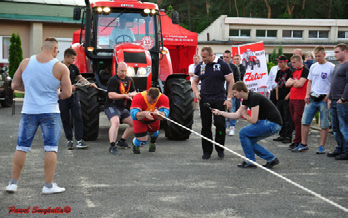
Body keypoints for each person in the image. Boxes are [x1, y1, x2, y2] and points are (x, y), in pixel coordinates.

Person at [6, 38, 71, 194]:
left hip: (29, 110)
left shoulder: (25, 63)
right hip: (50, 111)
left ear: (42, 48)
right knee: (51, 148)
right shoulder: (61, 67)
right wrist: (57, 95)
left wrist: (29, 90)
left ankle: (13, 184)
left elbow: (14, 85)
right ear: (56, 49)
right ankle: (48, 186)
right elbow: (67, 93)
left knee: (21, 147)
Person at [212, 81, 282, 168]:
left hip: (272, 124)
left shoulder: (254, 98)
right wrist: (220, 113)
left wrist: (245, 116)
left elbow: (253, 120)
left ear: (241, 91)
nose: (234, 95)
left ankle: (250, 161)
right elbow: (236, 115)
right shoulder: (246, 99)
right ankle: (271, 159)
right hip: (269, 123)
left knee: (243, 133)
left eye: (235, 93)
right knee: (249, 141)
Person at [191, 47, 234, 160]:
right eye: (202, 57)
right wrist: (196, 92)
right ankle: (206, 151)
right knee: (206, 127)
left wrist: (228, 99)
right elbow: (194, 82)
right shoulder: (200, 66)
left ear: (211, 55)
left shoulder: (223, 65)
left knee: (220, 125)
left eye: (205, 57)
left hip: (220, 99)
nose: (203, 59)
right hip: (205, 100)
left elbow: (231, 82)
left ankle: (220, 148)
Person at [292, 46, 334, 153]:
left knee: (324, 124)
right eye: (316, 56)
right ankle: (304, 143)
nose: (317, 58)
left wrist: (329, 95)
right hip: (312, 97)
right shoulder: (313, 66)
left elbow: (333, 83)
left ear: (324, 55)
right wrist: (307, 94)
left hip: (323, 98)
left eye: (319, 56)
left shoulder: (331, 67)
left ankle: (321, 146)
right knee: (304, 121)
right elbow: (309, 81)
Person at [59, 48, 97, 150]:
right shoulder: (58, 67)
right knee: (65, 118)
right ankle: (69, 140)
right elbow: (55, 83)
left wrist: (89, 84)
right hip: (63, 97)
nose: (73, 61)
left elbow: (80, 78)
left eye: (74, 59)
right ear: (66, 57)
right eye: (72, 58)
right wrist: (68, 87)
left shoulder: (73, 67)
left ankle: (79, 140)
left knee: (78, 117)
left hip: (73, 96)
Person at [105, 62, 137, 155]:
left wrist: (131, 94)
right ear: (117, 70)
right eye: (122, 71)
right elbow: (111, 95)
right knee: (115, 122)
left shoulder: (129, 80)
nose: (123, 73)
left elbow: (134, 92)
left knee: (134, 123)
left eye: (125, 71)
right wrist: (125, 95)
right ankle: (112, 146)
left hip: (121, 107)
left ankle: (122, 141)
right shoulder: (113, 80)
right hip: (111, 106)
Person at [130, 87, 169, 154]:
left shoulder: (163, 98)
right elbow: (133, 114)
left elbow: (165, 115)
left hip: (154, 119)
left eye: (154, 101)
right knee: (142, 142)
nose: (152, 103)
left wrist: (160, 114)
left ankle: (153, 141)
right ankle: (135, 143)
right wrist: (144, 114)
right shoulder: (138, 97)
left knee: (154, 133)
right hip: (140, 120)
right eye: (150, 101)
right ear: (147, 95)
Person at [327, 43, 348, 160]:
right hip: (335, 99)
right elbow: (333, 83)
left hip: (342, 101)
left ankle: (346, 150)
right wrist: (330, 97)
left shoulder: (347, 65)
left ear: (344, 51)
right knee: (335, 127)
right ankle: (340, 148)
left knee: (344, 127)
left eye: (337, 52)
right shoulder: (338, 66)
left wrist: (343, 98)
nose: (335, 54)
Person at [285, 55, 309, 150]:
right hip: (293, 98)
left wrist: (293, 82)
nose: (292, 64)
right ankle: (296, 139)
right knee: (294, 120)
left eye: (294, 62)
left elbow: (300, 84)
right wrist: (295, 81)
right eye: (292, 63)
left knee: (298, 120)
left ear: (300, 61)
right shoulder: (294, 71)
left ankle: (298, 141)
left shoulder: (305, 70)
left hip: (300, 99)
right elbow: (287, 84)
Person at [273, 55, 293, 144]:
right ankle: (282, 134)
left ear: (285, 62)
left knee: (287, 117)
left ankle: (288, 136)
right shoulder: (279, 72)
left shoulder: (290, 72)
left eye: (281, 62)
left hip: (287, 97)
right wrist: (277, 95)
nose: (279, 64)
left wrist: (287, 96)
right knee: (281, 117)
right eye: (278, 62)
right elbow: (277, 84)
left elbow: (292, 86)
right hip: (280, 97)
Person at [223, 50, 240, 136]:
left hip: (231, 92)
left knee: (232, 110)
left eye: (227, 57)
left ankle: (232, 127)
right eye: (224, 57)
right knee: (223, 111)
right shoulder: (220, 66)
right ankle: (224, 127)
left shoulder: (234, 67)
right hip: (222, 92)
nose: (225, 59)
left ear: (230, 58)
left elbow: (237, 80)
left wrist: (234, 92)